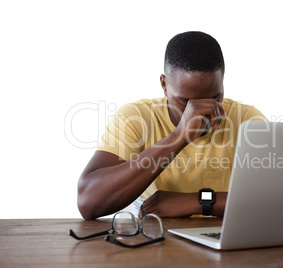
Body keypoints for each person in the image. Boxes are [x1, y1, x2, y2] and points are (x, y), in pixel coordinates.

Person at [77, 31, 267, 220]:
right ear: (164, 84)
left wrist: (196, 202)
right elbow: (88, 201)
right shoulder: (135, 117)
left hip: (221, 240)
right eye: (185, 102)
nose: (201, 111)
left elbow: (276, 200)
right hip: (157, 238)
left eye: (214, 98)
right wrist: (179, 137)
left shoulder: (247, 120)